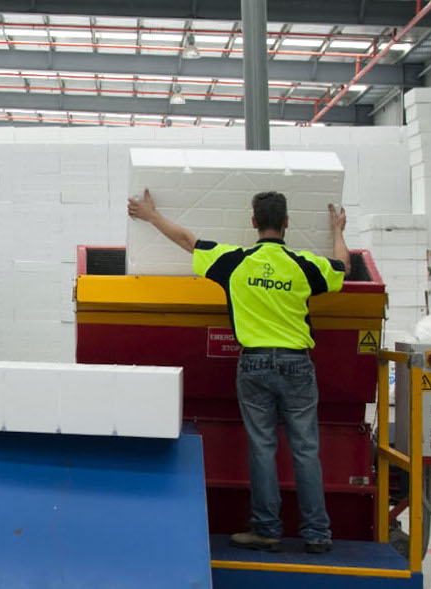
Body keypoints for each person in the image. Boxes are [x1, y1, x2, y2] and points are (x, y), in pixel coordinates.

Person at [128, 188, 350, 554]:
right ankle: (317, 534)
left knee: (263, 449)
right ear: (286, 223)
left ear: (253, 224)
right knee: (306, 451)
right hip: (297, 364)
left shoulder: (233, 261)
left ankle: (266, 530)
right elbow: (343, 267)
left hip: (255, 363)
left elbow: (187, 241)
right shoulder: (304, 264)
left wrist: (150, 215)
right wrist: (338, 231)